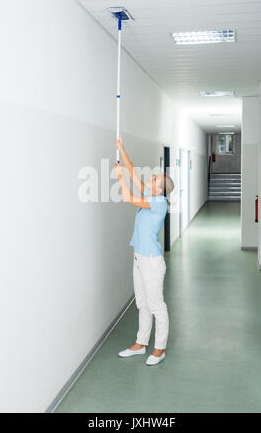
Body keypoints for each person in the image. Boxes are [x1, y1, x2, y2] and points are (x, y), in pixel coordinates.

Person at [114, 134, 174, 366]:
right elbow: (132, 173)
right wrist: (122, 151)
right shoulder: (151, 196)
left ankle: (160, 348)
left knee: (157, 305)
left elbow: (128, 196)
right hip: (139, 258)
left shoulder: (159, 202)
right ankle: (141, 344)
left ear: (160, 189)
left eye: (153, 180)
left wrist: (119, 178)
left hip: (151, 261)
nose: (148, 181)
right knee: (142, 303)